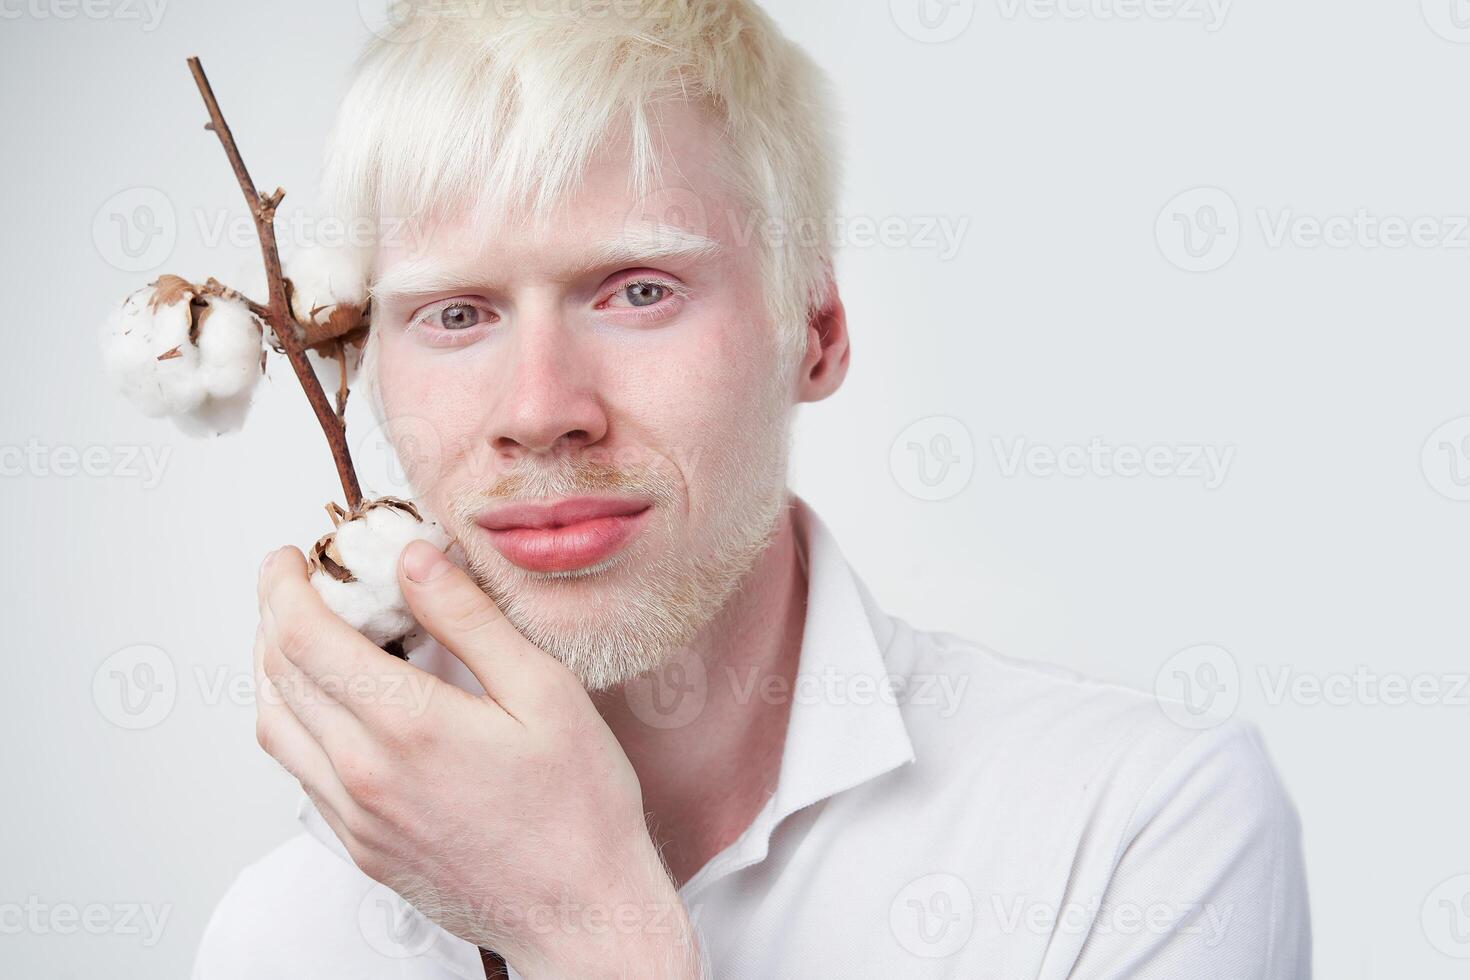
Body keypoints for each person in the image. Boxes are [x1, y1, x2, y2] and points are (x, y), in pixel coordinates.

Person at [194, 2, 1311, 977]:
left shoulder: (1133, 831)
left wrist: (593, 932)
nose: (539, 409)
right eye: (456, 314)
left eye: (636, 289)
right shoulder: (284, 938)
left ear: (813, 329)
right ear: (365, 363)